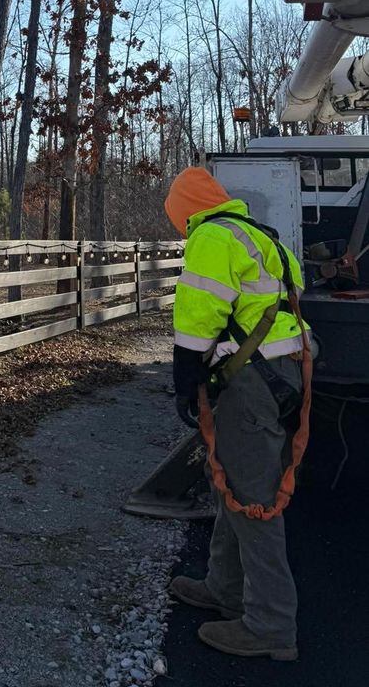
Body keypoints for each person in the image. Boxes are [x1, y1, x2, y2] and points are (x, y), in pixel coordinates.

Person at [163, 166, 309, 662]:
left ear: (186, 211)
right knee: (228, 480)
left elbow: (198, 313)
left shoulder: (212, 236)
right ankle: (223, 588)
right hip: (284, 374)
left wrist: (186, 375)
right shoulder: (261, 236)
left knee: (252, 497)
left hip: (255, 384)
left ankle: (270, 625)